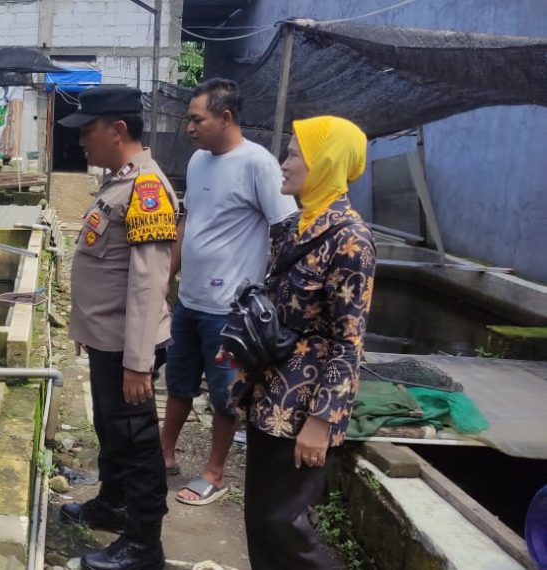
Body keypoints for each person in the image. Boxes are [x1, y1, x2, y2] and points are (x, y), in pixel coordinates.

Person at [229, 115, 376, 569]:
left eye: (294, 154)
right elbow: (278, 307)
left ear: (324, 163)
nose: (283, 163)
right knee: (260, 516)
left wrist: (322, 420)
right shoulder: (295, 226)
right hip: (269, 392)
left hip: (304, 405)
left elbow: (348, 341)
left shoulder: (350, 241)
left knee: (284, 524)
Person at [159, 78, 297, 506]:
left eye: (196, 120)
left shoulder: (258, 164)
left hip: (230, 310)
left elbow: (285, 229)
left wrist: (269, 298)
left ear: (226, 117)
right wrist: (166, 277)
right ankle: (163, 454)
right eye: (188, 120)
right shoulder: (198, 161)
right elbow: (188, 222)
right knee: (178, 382)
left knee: (226, 394)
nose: (189, 128)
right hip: (189, 300)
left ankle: (215, 473)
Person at [58, 85, 178, 570]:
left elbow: (148, 284)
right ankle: (113, 504)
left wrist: (137, 363)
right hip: (108, 341)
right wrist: (88, 331)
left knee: (138, 443)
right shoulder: (118, 182)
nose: (81, 141)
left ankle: (144, 544)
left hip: (130, 348)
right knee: (111, 431)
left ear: (118, 129)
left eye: (87, 131)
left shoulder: (146, 188)